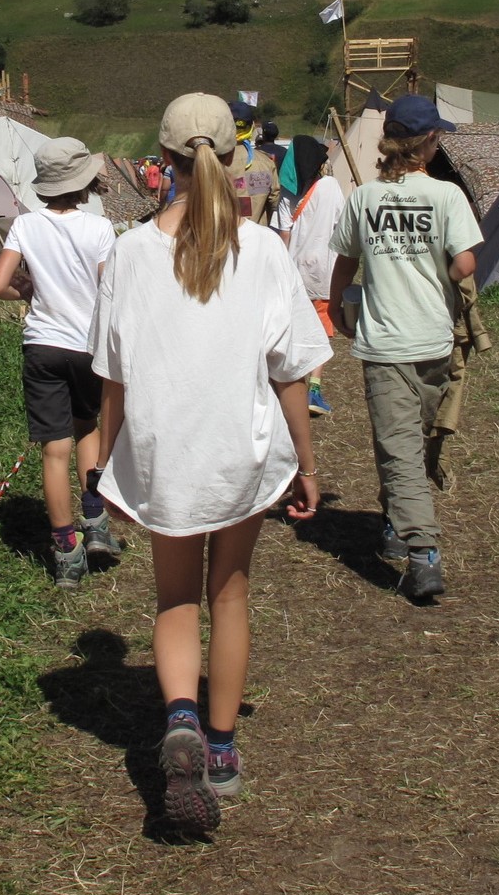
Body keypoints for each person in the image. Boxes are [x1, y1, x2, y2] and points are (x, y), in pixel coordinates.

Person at [91, 92, 329, 834]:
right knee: (230, 594)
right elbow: (291, 372)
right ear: (232, 157)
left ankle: (181, 717)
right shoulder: (263, 250)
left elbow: (113, 378)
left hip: (165, 454)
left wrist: (104, 468)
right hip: (241, 452)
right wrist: (308, 463)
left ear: (162, 160)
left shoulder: (129, 253)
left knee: (174, 600)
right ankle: (220, 750)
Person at [329, 93, 482, 602]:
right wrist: (441, 267)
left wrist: (338, 304)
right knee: (404, 441)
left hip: (385, 341)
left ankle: (417, 543)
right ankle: (410, 536)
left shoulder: (365, 198)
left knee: (400, 446)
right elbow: (465, 264)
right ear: (430, 142)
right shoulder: (446, 196)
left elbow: (345, 260)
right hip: (433, 340)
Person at [0, 137, 121, 589]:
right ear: (83, 183)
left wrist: (25, 290)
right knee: (88, 428)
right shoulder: (99, 229)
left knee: (53, 451)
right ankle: (96, 522)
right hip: (87, 348)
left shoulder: (25, 226)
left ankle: (66, 552)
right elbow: (109, 291)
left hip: (42, 347)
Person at [273, 134, 344, 416]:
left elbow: (284, 236)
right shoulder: (331, 186)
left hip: (294, 270)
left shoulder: (287, 194)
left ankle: (291, 384)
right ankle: (314, 389)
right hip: (325, 269)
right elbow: (341, 224)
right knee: (321, 329)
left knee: (294, 327)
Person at [228, 100, 280, 225]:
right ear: (252, 127)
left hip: (223, 234)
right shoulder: (266, 162)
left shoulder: (212, 163)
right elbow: (275, 202)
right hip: (258, 234)